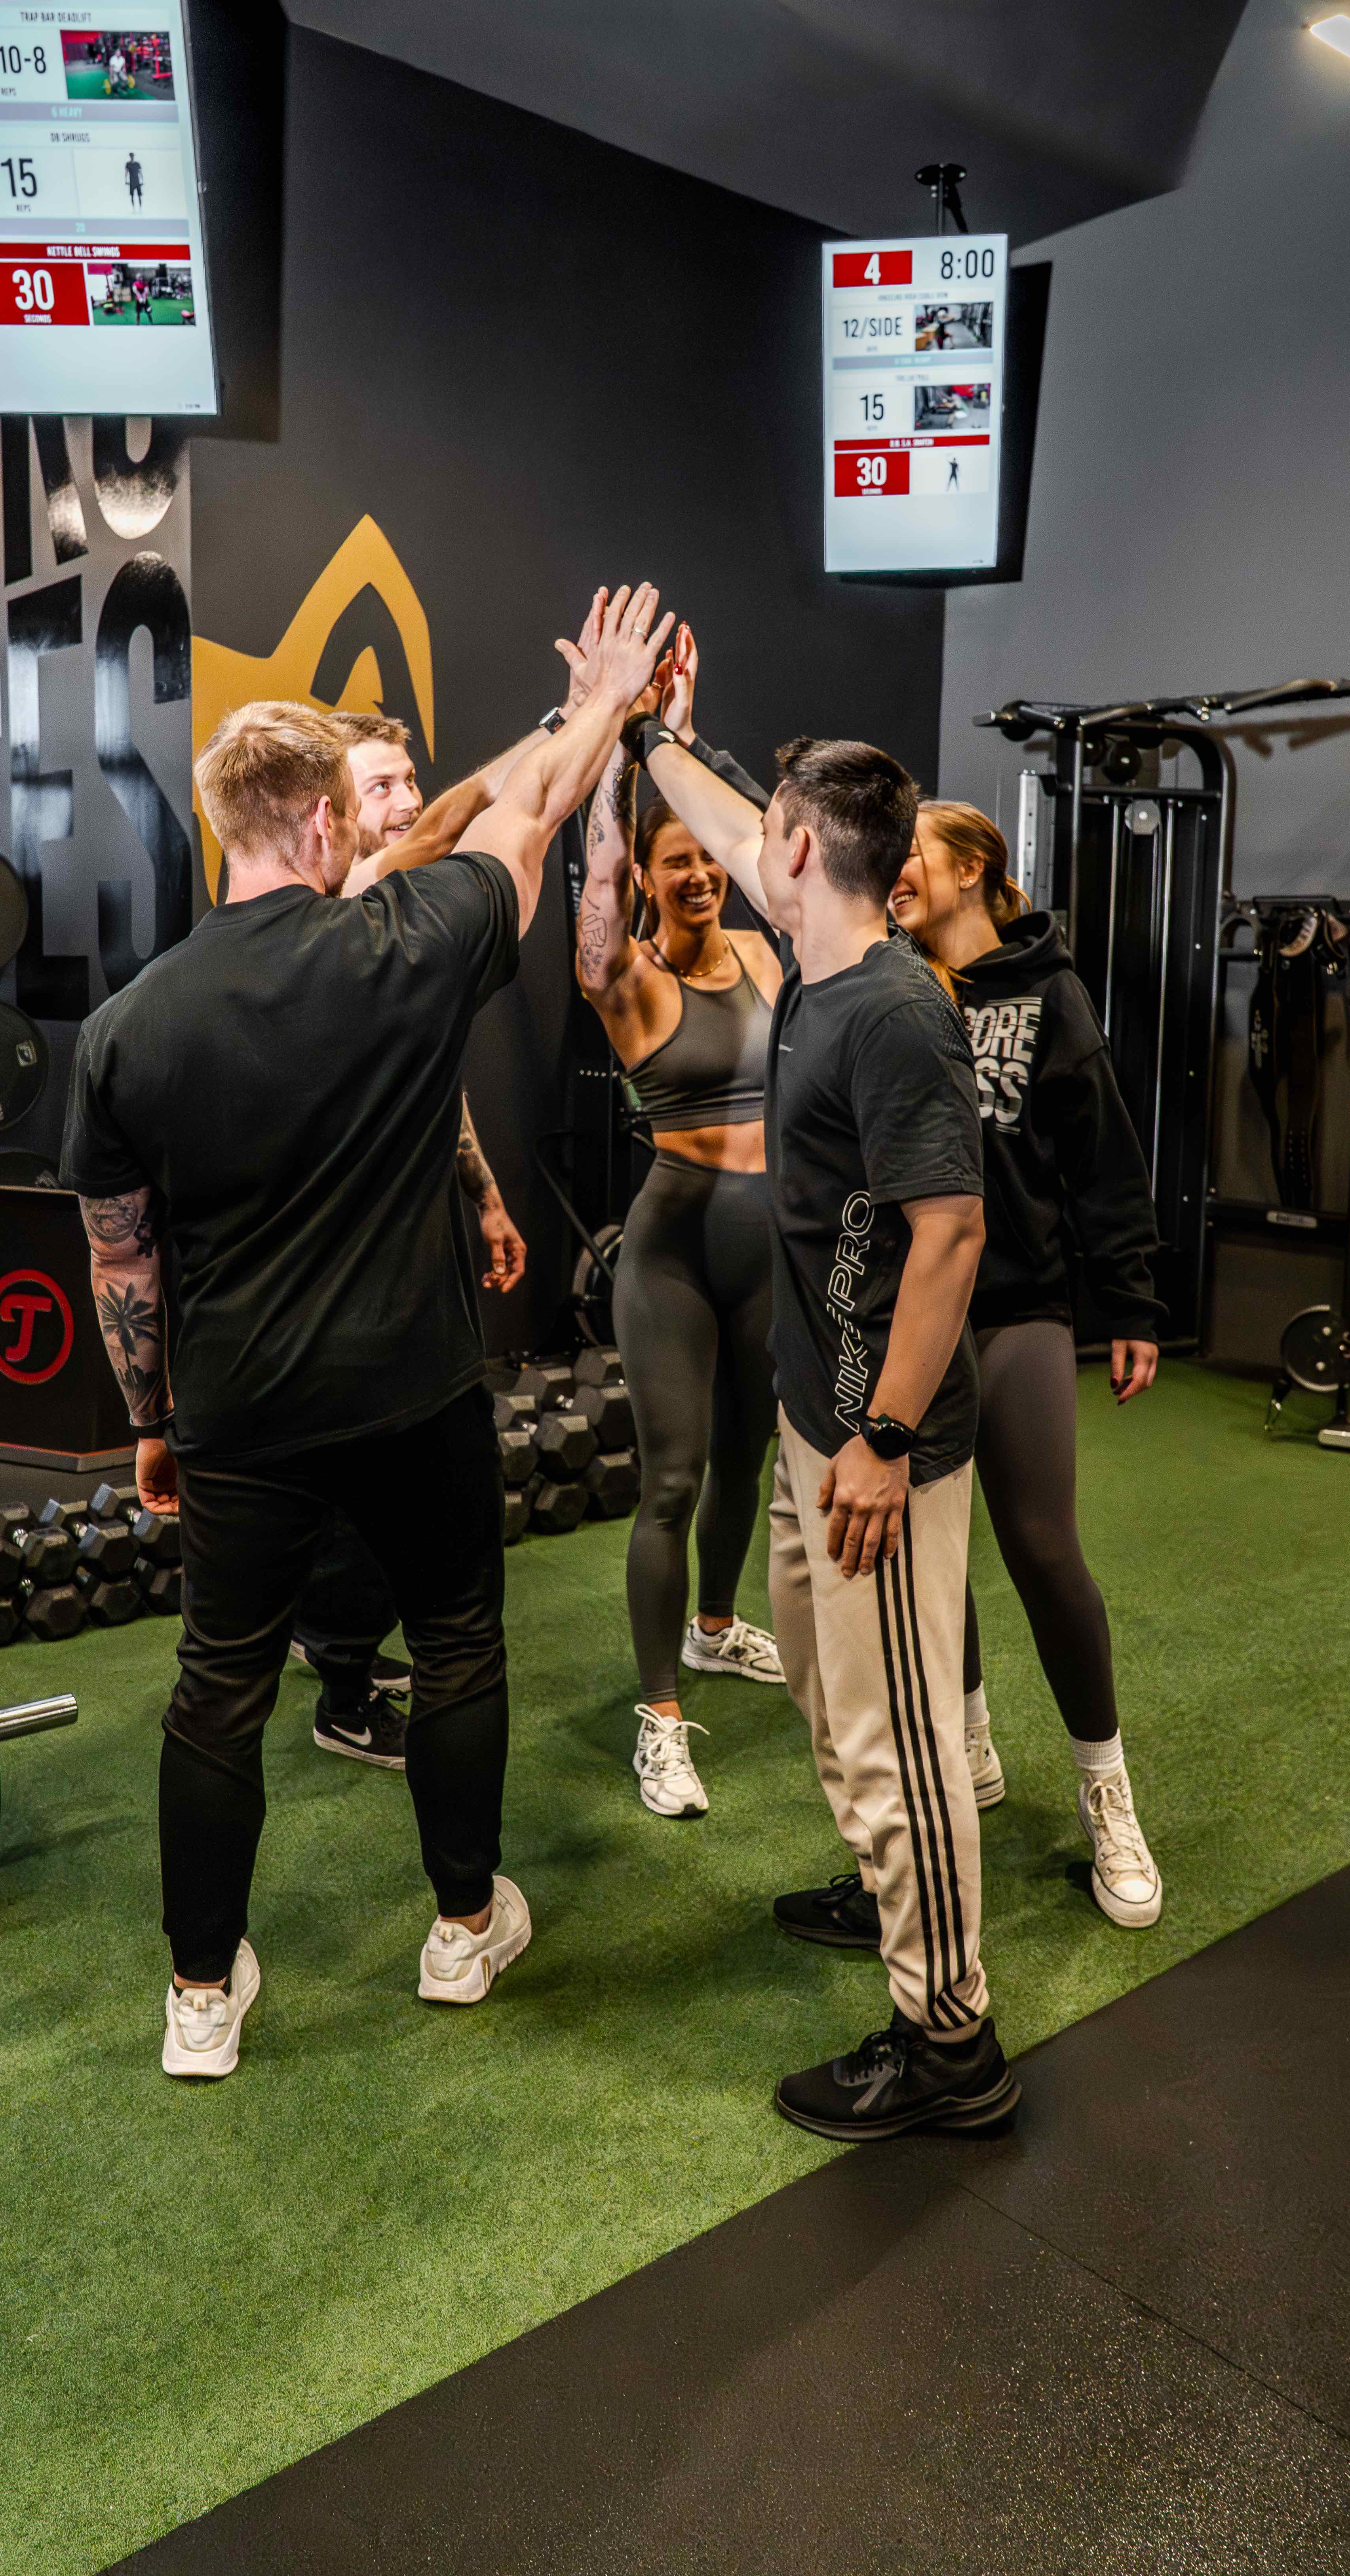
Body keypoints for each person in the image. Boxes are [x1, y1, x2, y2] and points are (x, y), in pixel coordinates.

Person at [62, 582, 673, 2079]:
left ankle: (202, 1996)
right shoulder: (409, 942)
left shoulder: (128, 1026)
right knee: (460, 1642)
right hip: (411, 1393)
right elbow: (519, 832)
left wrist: (151, 1420)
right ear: (333, 824)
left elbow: (119, 1264)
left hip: (238, 1414)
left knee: (220, 1688)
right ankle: (464, 1929)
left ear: (227, 827)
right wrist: (601, 701)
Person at [636, 725, 1019, 2142]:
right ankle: (886, 1894)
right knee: (823, 1691)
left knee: (895, 1733)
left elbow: (952, 1235)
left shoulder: (889, 1013)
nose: (746, 853)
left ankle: (952, 2046)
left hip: (880, 1446)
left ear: (805, 854)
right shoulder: (817, 958)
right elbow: (721, 816)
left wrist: (886, 1436)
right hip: (818, 1418)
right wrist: (636, 728)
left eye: (769, 836)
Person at [890, 802, 1164, 1927]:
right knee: (928, 1551)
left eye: (910, 853)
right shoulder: (891, 986)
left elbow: (1100, 1150)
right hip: (914, 1314)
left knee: (1044, 1549)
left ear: (971, 868)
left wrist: (1132, 1294)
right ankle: (968, 1737)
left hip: (1018, 1308)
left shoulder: (1049, 992)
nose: (892, 872)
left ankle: (1108, 1793)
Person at [287, 707, 542, 1769]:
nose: (400, 803)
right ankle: (345, 1692)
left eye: (406, 781)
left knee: (390, 1471)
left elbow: (431, 1077)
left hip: (416, 1223)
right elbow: (445, 830)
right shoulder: (344, 906)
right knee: (378, 1476)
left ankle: (334, 1645)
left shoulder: (397, 917)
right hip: (347, 1256)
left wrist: (481, 1189)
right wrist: (552, 739)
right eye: (378, 786)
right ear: (327, 813)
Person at [569, 616, 785, 1820]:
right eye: (675, 864)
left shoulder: (762, 952)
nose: (698, 874)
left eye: (704, 861)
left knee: (748, 1462)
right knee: (673, 1479)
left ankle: (714, 1628)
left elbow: (761, 842)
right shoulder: (627, 978)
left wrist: (684, 744)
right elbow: (593, 884)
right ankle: (661, 1719)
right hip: (674, 1252)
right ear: (646, 878)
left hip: (772, 1243)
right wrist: (623, 747)